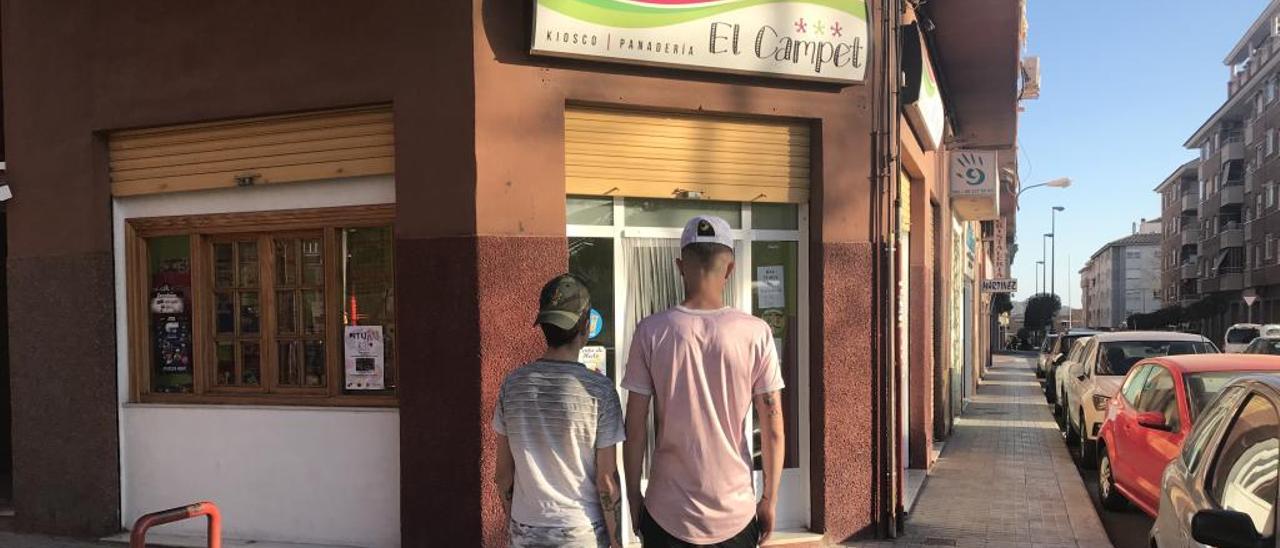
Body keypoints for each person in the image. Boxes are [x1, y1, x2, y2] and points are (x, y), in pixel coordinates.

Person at [622, 215, 786, 547]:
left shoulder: (651, 332)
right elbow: (773, 427)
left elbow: (635, 426)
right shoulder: (755, 333)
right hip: (735, 514)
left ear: (680, 266)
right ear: (730, 269)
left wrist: (632, 496)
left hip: (666, 513)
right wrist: (769, 498)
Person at [493, 274, 626, 548]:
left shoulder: (512, 385)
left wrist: (515, 525)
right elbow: (606, 479)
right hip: (581, 531)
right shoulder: (599, 390)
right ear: (586, 327)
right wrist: (616, 541)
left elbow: (502, 474)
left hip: (525, 529)